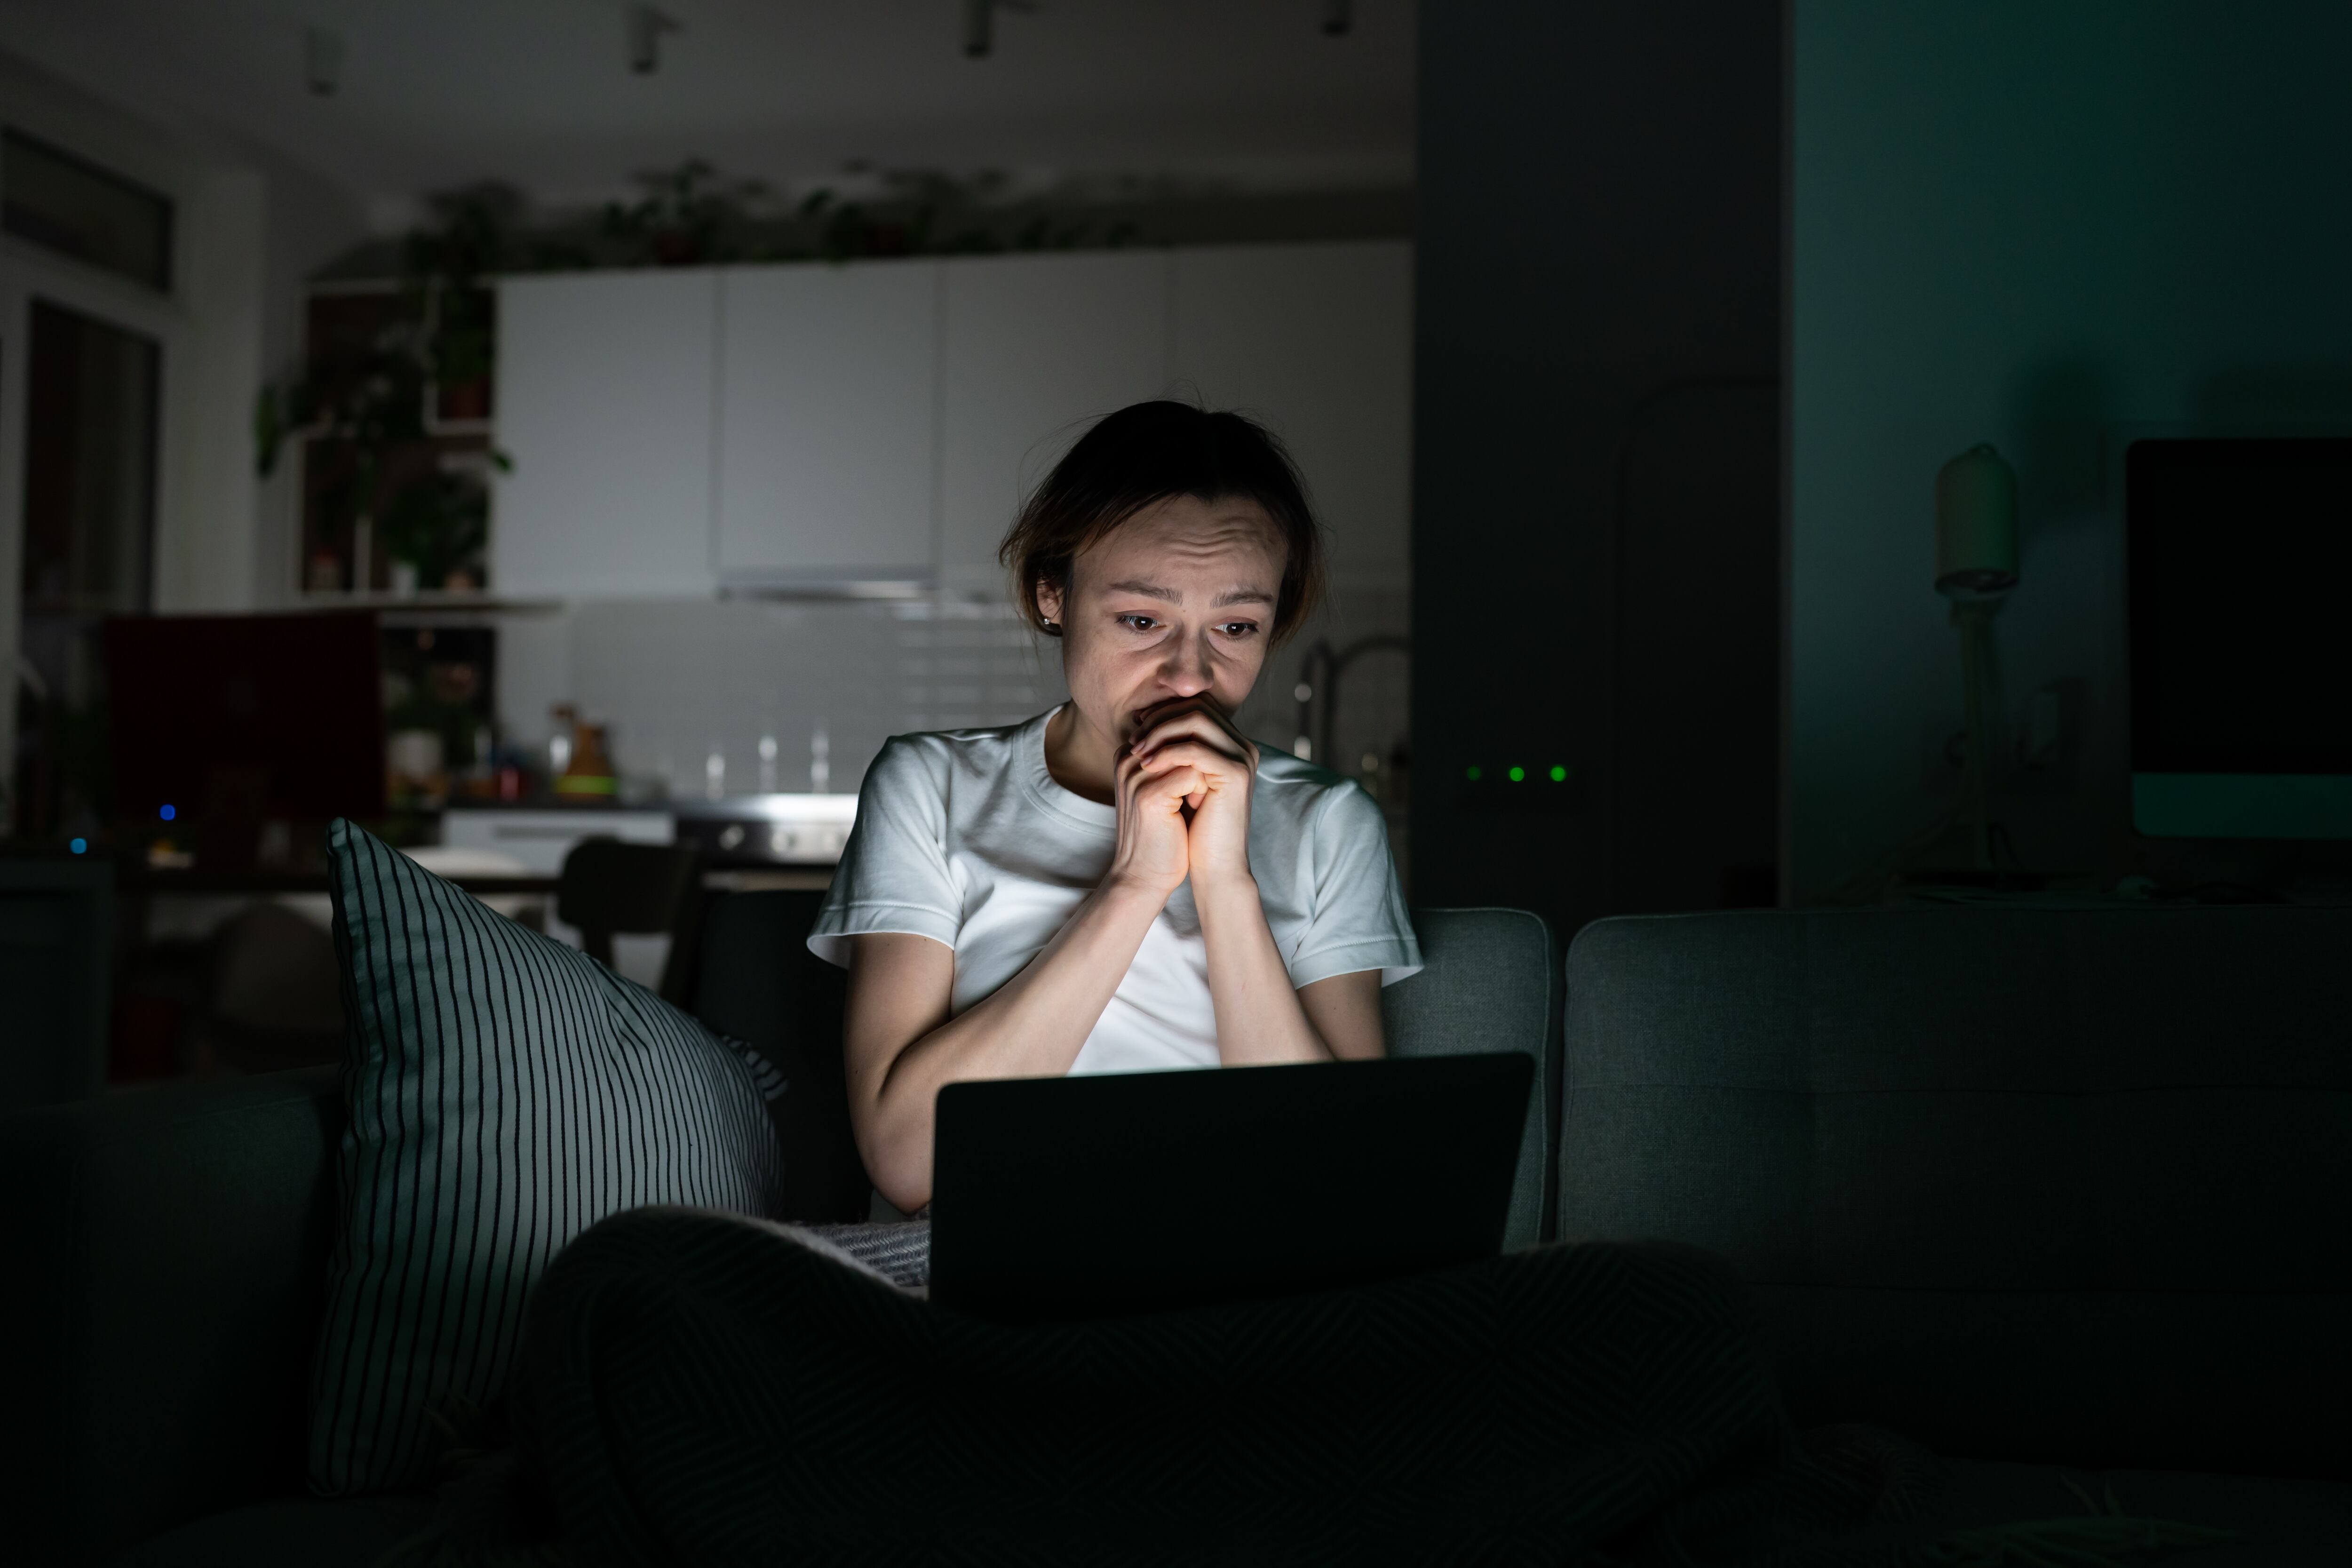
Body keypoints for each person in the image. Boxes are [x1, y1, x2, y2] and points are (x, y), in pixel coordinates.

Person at [808, 400, 1420, 1214]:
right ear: (1050, 593)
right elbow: (912, 1162)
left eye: (1236, 626)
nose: (1190, 676)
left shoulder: (1329, 822)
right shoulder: (930, 785)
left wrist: (1227, 885)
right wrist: (1134, 885)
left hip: (1230, 1272)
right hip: (987, 1268)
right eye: (1141, 620)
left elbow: (1334, 1176)